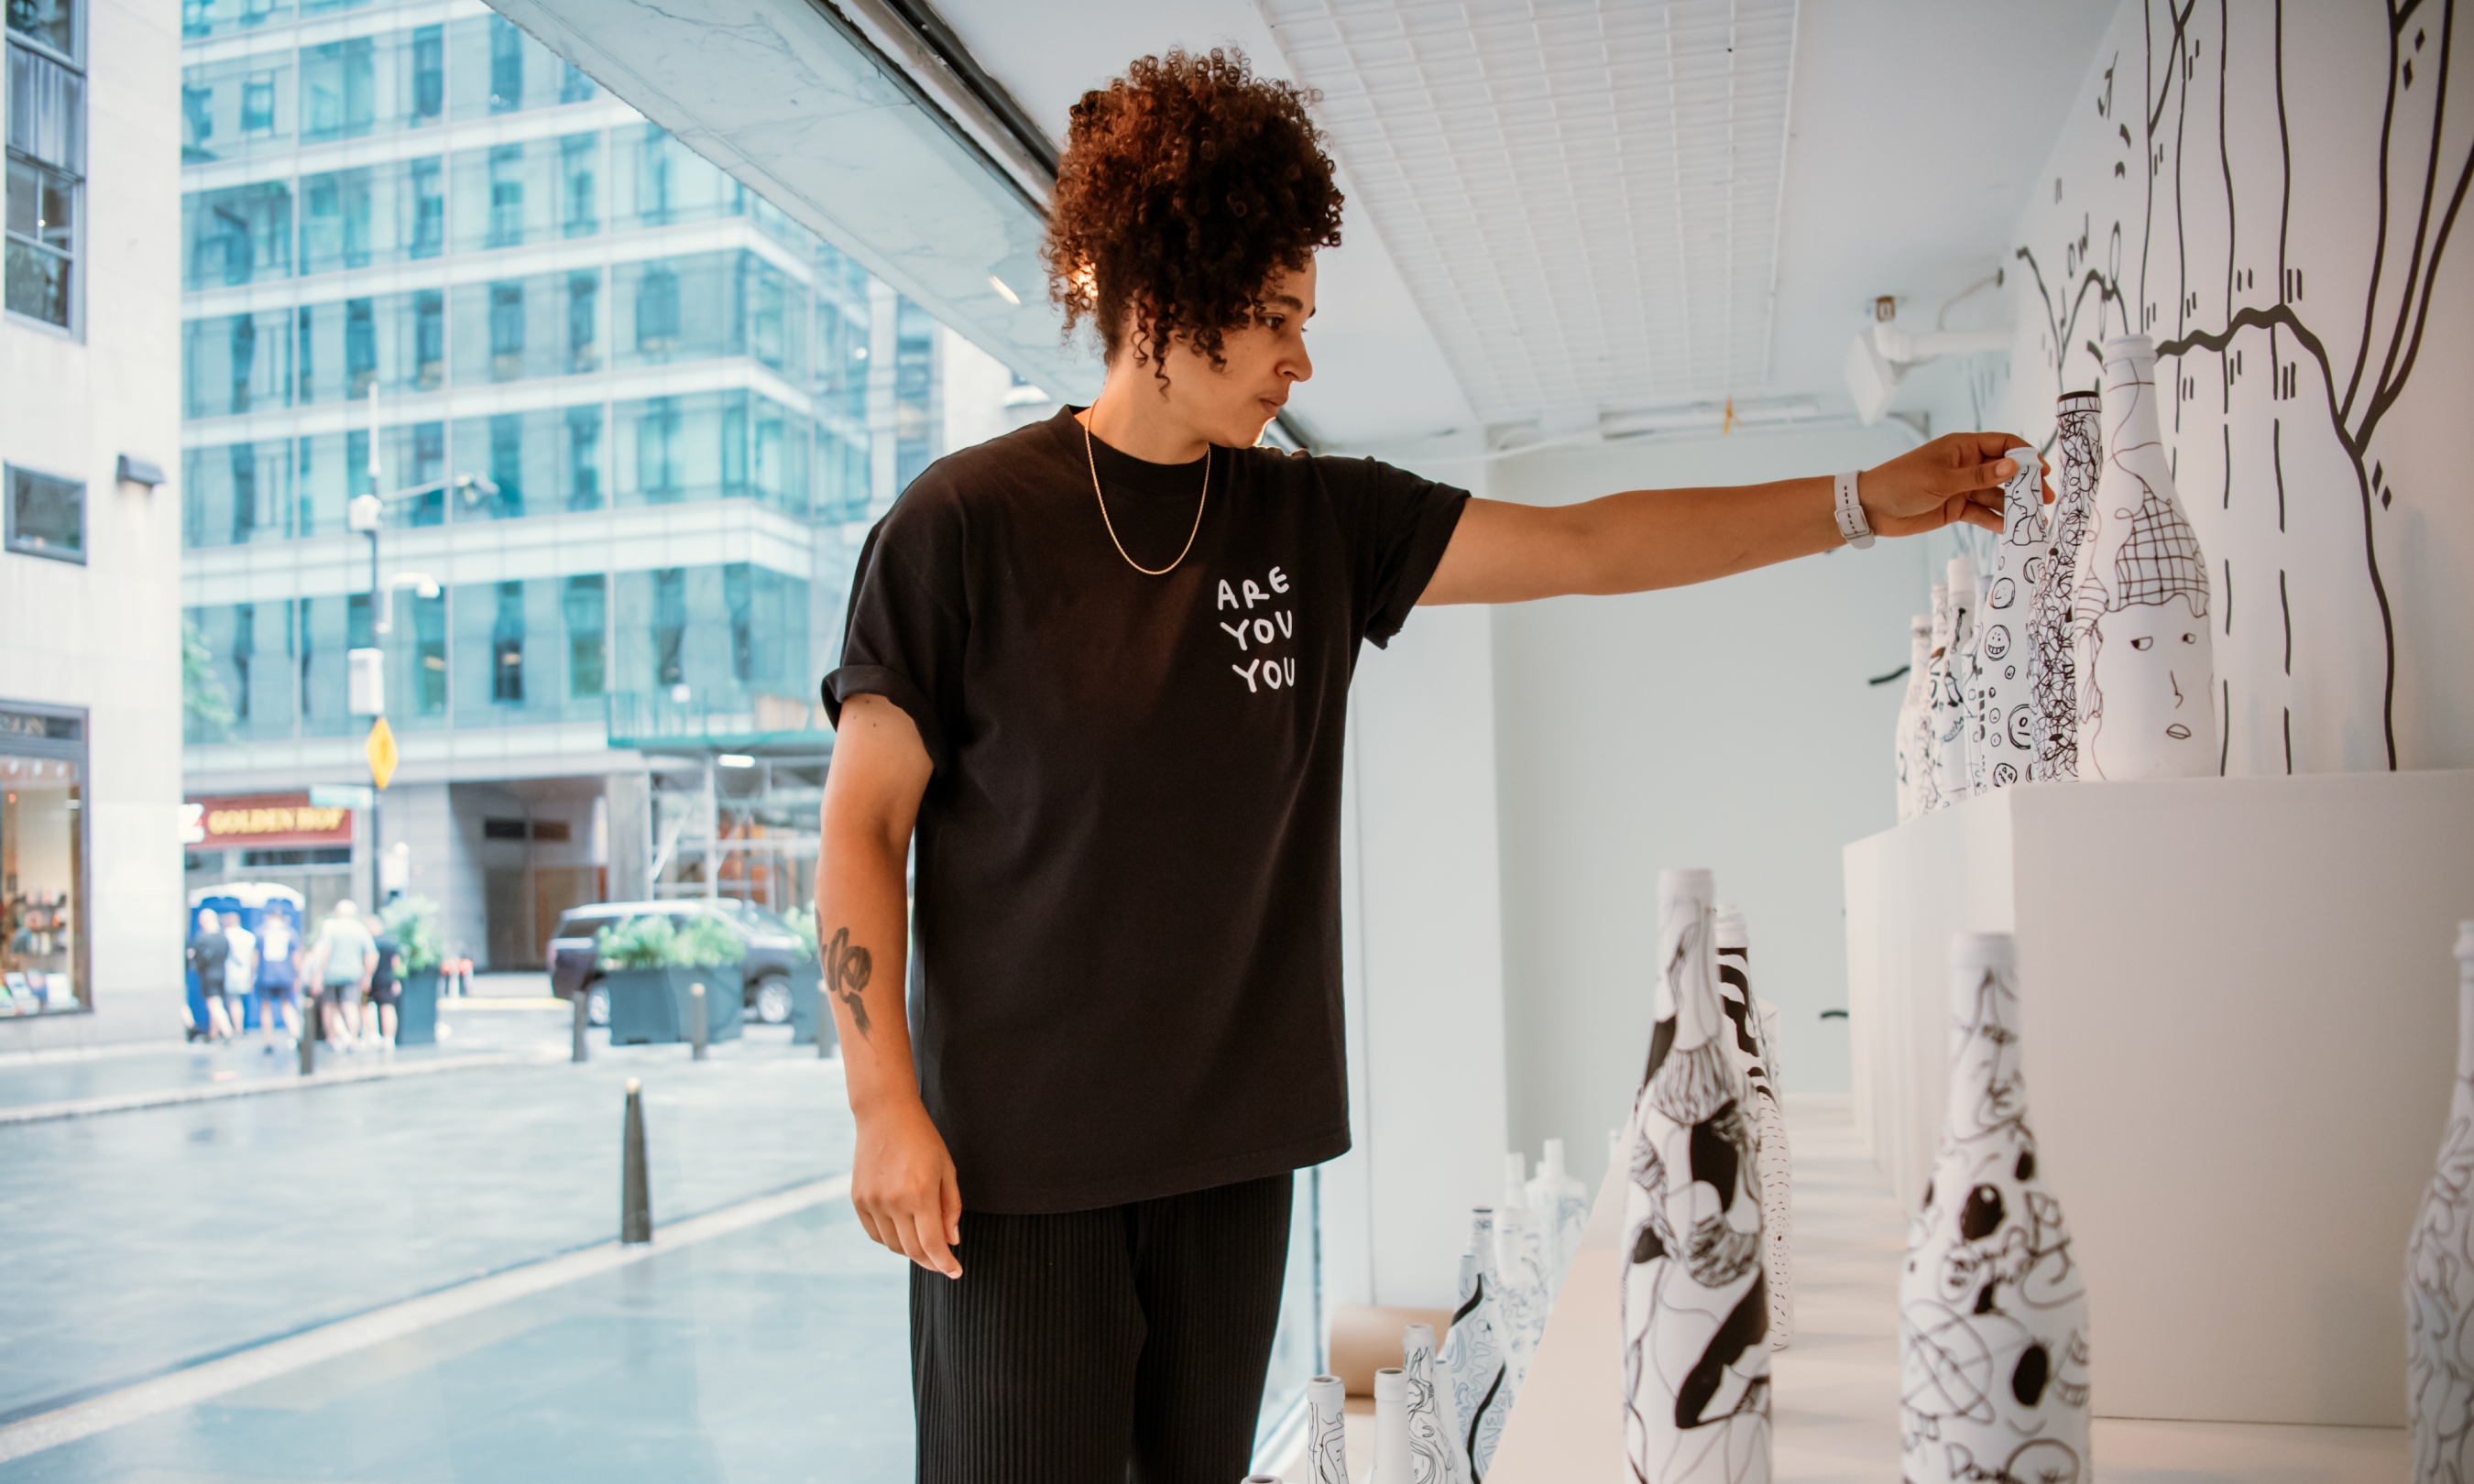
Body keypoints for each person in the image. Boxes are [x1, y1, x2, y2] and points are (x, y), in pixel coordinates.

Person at [816, 49, 2039, 1480]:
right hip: (1017, 1178)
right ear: (1161, 297)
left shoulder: (1315, 523)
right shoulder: (958, 527)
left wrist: (1853, 502)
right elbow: (860, 829)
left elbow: (1590, 545)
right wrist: (880, 1103)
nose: (1300, 358)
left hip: (1229, 1162)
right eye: (1272, 318)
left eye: (1303, 319)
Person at [304, 900, 378, 1050]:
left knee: (330, 1005)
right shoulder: (360, 929)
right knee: (351, 1005)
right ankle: (353, 1039)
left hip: (331, 974)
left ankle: (332, 1038)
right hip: (353, 974)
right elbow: (372, 953)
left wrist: (318, 973)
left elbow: (325, 951)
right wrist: (368, 975)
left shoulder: (332, 928)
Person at [253, 909, 303, 1051]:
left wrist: (251, 975)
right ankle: (297, 1035)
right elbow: (296, 958)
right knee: (287, 1005)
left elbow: (255, 957)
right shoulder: (290, 932)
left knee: (265, 1007)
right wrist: (298, 976)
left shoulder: (260, 932)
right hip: (285, 976)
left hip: (265, 976)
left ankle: (268, 1042)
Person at [186, 909, 233, 1042]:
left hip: (208, 974)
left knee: (213, 1003)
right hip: (221, 972)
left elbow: (199, 959)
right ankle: (214, 1033)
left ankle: (227, 1031)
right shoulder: (223, 937)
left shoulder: (202, 938)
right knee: (218, 1001)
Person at [218, 911, 257, 1044]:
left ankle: (236, 1030)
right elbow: (254, 958)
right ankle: (238, 1028)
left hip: (228, 973)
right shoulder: (249, 936)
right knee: (238, 1001)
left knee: (232, 1001)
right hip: (245, 973)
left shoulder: (225, 935)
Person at [363, 923, 402, 1048]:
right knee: (388, 1007)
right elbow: (396, 962)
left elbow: (371, 959)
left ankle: (373, 1035)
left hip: (371, 980)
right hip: (387, 979)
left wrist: (367, 977)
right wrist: (395, 979)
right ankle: (389, 1039)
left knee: (365, 1006)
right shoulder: (389, 943)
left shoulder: (370, 942)